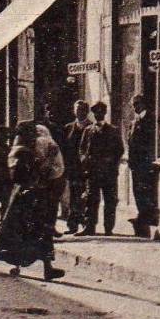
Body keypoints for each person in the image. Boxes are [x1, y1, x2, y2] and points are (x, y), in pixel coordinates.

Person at [0, 122, 65, 282]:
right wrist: (50, 158)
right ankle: (47, 268)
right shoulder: (26, 153)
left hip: (21, 197)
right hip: (34, 197)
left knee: (21, 231)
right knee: (41, 231)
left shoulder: (17, 151)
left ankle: (19, 265)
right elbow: (38, 172)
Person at [79, 101, 124, 235]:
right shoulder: (88, 130)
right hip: (92, 172)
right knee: (91, 199)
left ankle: (108, 228)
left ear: (105, 113)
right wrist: (84, 160)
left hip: (108, 172)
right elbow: (82, 149)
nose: (98, 115)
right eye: (95, 112)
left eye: (101, 112)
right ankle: (89, 227)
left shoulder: (113, 130)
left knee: (110, 200)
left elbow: (120, 150)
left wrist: (111, 161)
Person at [127, 94, 159, 238]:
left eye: (137, 104)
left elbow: (150, 142)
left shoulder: (150, 119)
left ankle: (144, 220)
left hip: (145, 163)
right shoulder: (135, 120)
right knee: (137, 191)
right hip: (135, 163)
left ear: (144, 104)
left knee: (144, 192)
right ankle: (142, 218)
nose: (135, 107)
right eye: (133, 105)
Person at [62, 99, 91, 233]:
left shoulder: (92, 127)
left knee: (86, 196)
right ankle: (72, 225)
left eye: (82, 110)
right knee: (73, 196)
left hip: (87, 169)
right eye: (77, 110)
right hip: (72, 168)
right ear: (74, 111)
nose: (79, 112)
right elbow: (64, 149)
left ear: (87, 111)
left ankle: (86, 224)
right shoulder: (68, 128)